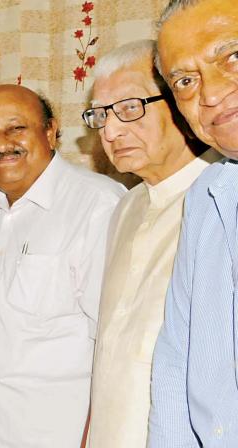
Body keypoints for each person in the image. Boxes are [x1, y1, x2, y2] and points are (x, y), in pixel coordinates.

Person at [0, 84, 125, 447]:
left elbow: (117, 347)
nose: (0, 143)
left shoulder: (97, 206)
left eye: (16, 128)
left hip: (59, 434)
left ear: (50, 131)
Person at [83, 40, 216, 448]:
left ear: (179, 105)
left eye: (129, 108)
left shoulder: (219, 202)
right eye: (100, 115)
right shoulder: (126, 208)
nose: (110, 130)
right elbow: (110, 350)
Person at [149, 0, 238, 445]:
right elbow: (175, 360)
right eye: (186, 80)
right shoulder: (207, 196)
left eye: (232, 57)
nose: (211, 93)